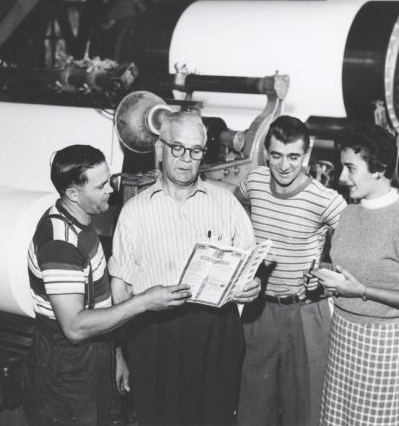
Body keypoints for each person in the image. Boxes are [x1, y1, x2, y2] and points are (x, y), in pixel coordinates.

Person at [109, 110, 261, 426]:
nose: (185, 159)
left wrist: (252, 287)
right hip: (154, 334)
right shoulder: (134, 212)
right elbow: (120, 289)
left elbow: (250, 269)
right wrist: (120, 351)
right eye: (177, 148)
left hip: (216, 331)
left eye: (195, 151)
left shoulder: (226, 203)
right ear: (160, 149)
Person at [24, 144, 191, 426]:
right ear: (73, 194)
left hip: (95, 353)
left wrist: (115, 356)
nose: (111, 190)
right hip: (68, 363)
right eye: (101, 186)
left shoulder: (82, 223)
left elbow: (98, 304)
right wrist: (144, 301)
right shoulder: (60, 244)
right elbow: (75, 327)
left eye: (109, 180)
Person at [314, 124, 399, 426]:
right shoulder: (349, 213)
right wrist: (325, 276)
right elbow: (354, 270)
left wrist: (363, 291)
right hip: (341, 333)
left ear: (379, 169)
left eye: (350, 168)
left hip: (378, 344)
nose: (342, 178)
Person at [236, 115, 347, 426]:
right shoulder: (255, 182)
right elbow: (236, 209)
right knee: (252, 410)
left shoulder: (325, 200)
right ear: (266, 153)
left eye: (294, 157)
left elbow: (355, 240)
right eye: (276, 155)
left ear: (306, 156)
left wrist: (328, 269)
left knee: (306, 411)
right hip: (259, 312)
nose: (284, 166)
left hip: (306, 314)